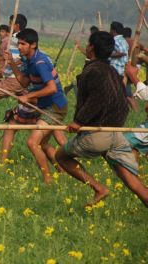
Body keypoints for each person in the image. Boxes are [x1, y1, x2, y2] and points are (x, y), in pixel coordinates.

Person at [55, 31, 148, 208]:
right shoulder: (112, 71)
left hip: (97, 135)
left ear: (90, 48)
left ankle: (99, 188)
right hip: (115, 134)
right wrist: (114, 126)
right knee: (132, 181)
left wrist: (78, 122)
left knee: (60, 156)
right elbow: (122, 102)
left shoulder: (93, 71)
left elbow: (96, 99)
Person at [0, 28, 68, 183]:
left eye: (23, 44)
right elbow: (24, 82)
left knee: (32, 142)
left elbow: (52, 88)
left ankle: (48, 180)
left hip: (55, 107)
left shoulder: (39, 62)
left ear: (33, 45)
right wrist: (12, 63)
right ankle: (65, 171)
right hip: (45, 106)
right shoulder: (29, 60)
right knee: (43, 144)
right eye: (18, 44)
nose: (19, 47)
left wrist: (28, 96)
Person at [0, 16, 28, 124]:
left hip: (14, 79)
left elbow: (17, 60)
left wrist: (0, 72)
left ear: (17, 25)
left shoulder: (17, 39)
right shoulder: (22, 38)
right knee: (27, 104)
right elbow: (10, 58)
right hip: (21, 79)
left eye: (10, 23)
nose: (9, 26)